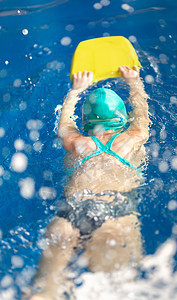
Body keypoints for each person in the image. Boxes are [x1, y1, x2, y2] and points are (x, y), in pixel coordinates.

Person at [29, 65, 150, 300]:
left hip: (70, 212)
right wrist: (134, 82)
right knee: (115, 292)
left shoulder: (76, 144)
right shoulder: (132, 139)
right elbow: (143, 117)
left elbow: (63, 125)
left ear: (86, 122)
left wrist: (76, 91)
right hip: (115, 212)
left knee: (44, 290)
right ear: (121, 119)